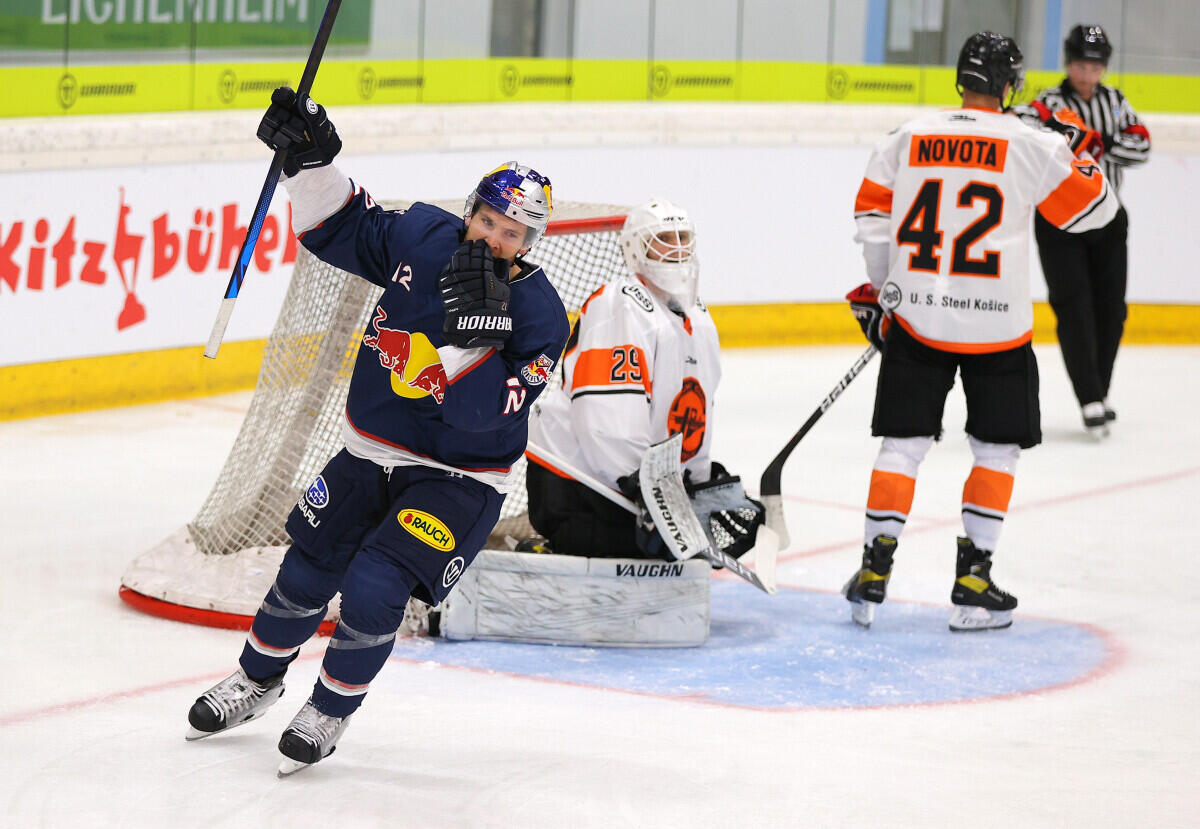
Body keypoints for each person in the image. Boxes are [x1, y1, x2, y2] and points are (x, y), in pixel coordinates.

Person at [184, 87, 568, 773]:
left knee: (374, 586)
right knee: (304, 570)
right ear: (470, 213)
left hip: (459, 479)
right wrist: (311, 162)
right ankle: (257, 680)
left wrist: (472, 336)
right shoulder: (422, 236)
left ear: (529, 243)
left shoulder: (539, 317)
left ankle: (328, 710)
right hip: (368, 452)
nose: (495, 238)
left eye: (512, 233)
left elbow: (486, 412)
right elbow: (344, 227)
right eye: (488, 220)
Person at [843, 32, 1118, 631]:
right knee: (996, 450)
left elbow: (871, 218)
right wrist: (1073, 143)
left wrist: (885, 294)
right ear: (1010, 85)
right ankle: (973, 586)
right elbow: (1096, 211)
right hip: (999, 328)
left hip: (918, 316)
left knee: (902, 445)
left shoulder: (907, 135)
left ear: (961, 79)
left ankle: (871, 576)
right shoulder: (1033, 142)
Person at [524, 198, 764, 564]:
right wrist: (651, 492)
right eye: (664, 239)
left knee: (674, 549)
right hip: (577, 485)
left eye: (683, 238)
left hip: (637, 486)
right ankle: (556, 549)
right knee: (649, 549)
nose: (677, 249)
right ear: (636, 248)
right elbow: (607, 425)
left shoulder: (699, 317)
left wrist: (697, 484)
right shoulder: (619, 304)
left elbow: (698, 414)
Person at [1015, 24, 1150, 439]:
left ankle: (1099, 391)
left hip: (1109, 219)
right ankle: (1089, 397)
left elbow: (1142, 145)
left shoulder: (1115, 101)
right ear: (1068, 64)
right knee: (1074, 308)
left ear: (1104, 67)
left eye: (1094, 66)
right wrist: (1087, 143)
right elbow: (1022, 129)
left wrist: (1095, 143)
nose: (1087, 74)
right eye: (1079, 65)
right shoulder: (1048, 103)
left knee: (1112, 310)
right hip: (1059, 222)